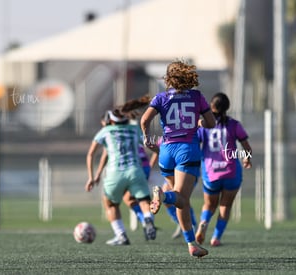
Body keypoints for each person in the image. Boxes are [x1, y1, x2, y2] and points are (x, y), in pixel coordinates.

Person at [140, 60, 215, 258]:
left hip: (166, 151)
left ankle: (192, 244)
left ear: (169, 78)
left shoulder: (161, 97)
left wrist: (147, 139)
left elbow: (144, 120)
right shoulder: (197, 96)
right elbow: (211, 122)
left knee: (182, 201)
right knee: (180, 198)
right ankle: (163, 196)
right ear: (188, 76)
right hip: (187, 150)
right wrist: (200, 122)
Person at [85, 104, 156, 246]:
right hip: (136, 170)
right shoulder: (135, 129)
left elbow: (91, 153)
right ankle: (148, 219)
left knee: (110, 203)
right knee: (143, 201)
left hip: (115, 173)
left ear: (111, 120)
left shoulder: (106, 131)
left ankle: (121, 235)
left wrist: (92, 177)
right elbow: (150, 144)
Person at [195, 93, 252, 247]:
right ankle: (216, 238)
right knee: (225, 206)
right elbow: (246, 147)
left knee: (209, 205)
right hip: (231, 171)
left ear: (211, 106)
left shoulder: (203, 126)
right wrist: (247, 158)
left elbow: (194, 144)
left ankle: (204, 222)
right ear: (227, 107)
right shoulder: (234, 124)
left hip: (211, 172)